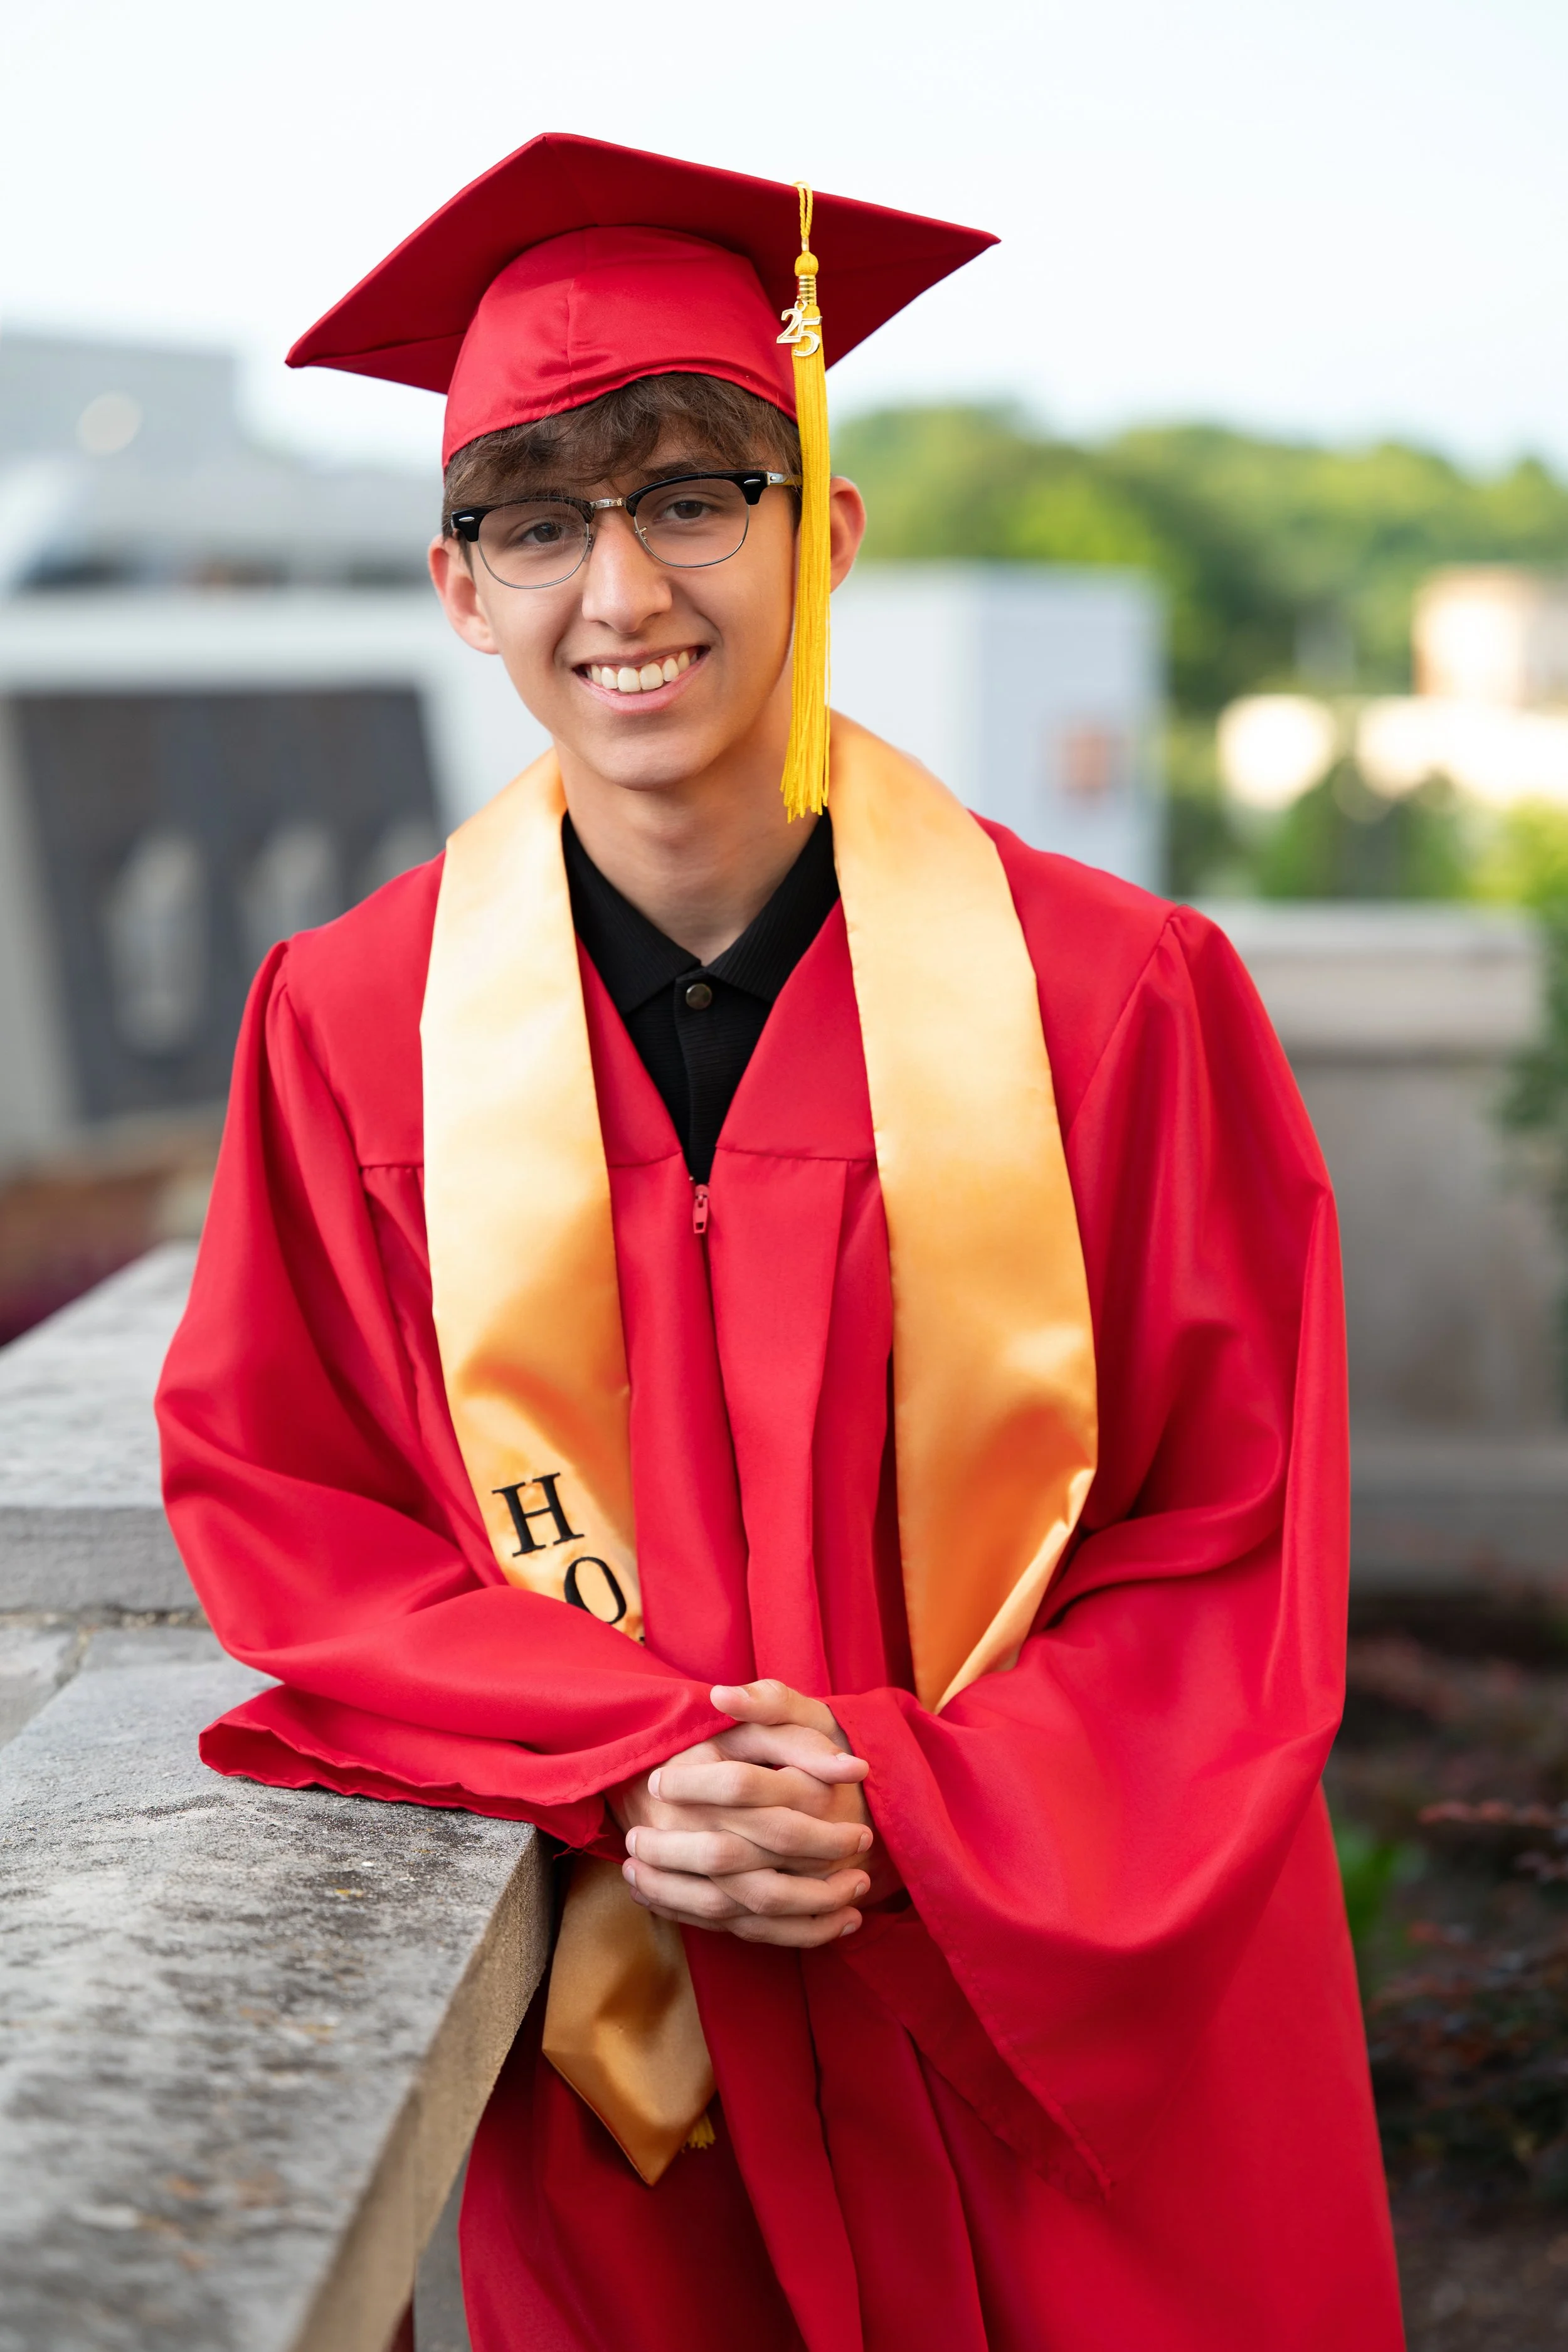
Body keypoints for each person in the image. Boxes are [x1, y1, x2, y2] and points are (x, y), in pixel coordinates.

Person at [157, 132, 1405, 2352]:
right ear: (459, 588)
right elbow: (292, 1502)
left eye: (688, 496)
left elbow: (1232, 1537)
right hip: (656, 2060)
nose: (619, 588)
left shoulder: (1113, 998)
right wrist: (630, 1755)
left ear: (815, 526)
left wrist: (900, 1807)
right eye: (536, 521)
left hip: (1063, 2036)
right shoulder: (350, 1028)